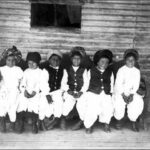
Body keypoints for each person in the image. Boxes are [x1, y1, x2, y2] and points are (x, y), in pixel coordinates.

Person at [83, 49, 114, 134]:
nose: (104, 64)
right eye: (102, 62)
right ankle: (89, 125)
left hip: (105, 93)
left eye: (107, 62)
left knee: (108, 107)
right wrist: (85, 94)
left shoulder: (110, 72)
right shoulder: (91, 71)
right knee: (92, 108)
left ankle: (106, 123)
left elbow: (112, 83)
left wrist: (110, 93)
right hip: (93, 93)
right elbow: (86, 83)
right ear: (97, 62)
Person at [17, 52, 49, 134]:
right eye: (29, 63)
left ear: (38, 63)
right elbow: (23, 83)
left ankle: (34, 123)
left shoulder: (41, 72)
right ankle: (21, 123)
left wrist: (35, 91)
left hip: (36, 93)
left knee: (35, 103)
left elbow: (42, 84)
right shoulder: (26, 71)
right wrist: (24, 91)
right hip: (26, 91)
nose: (31, 65)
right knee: (21, 101)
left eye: (33, 63)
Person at [114, 49, 144, 132]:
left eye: (132, 60)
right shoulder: (121, 70)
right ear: (125, 61)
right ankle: (119, 120)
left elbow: (136, 84)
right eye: (128, 60)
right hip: (121, 91)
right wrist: (123, 95)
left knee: (137, 102)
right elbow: (118, 84)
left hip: (132, 92)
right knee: (118, 103)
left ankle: (133, 121)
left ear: (135, 61)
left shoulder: (137, 71)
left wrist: (131, 95)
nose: (130, 62)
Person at [60, 50, 88, 130]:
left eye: (78, 59)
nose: (76, 60)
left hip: (80, 92)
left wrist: (81, 92)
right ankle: (63, 119)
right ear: (71, 59)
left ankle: (81, 121)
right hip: (70, 91)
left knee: (81, 105)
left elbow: (86, 83)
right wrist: (69, 91)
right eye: (74, 58)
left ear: (81, 60)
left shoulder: (84, 70)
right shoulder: (67, 69)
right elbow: (63, 82)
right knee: (68, 103)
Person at [39, 50, 64, 130]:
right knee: (44, 103)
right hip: (46, 92)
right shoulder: (45, 70)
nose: (55, 61)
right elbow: (43, 83)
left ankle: (55, 121)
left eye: (57, 59)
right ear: (49, 60)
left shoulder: (63, 70)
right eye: (53, 59)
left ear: (60, 61)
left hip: (57, 91)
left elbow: (64, 83)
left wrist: (62, 91)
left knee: (59, 104)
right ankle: (41, 121)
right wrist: (47, 95)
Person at [0, 50, 23, 132]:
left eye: (13, 60)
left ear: (16, 61)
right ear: (5, 60)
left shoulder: (18, 69)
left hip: (14, 90)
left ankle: (12, 122)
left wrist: (21, 89)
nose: (11, 62)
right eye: (8, 60)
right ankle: (2, 122)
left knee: (13, 106)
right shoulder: (1, 69)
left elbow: (21, 81)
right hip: (3, 90)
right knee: (2, 105)